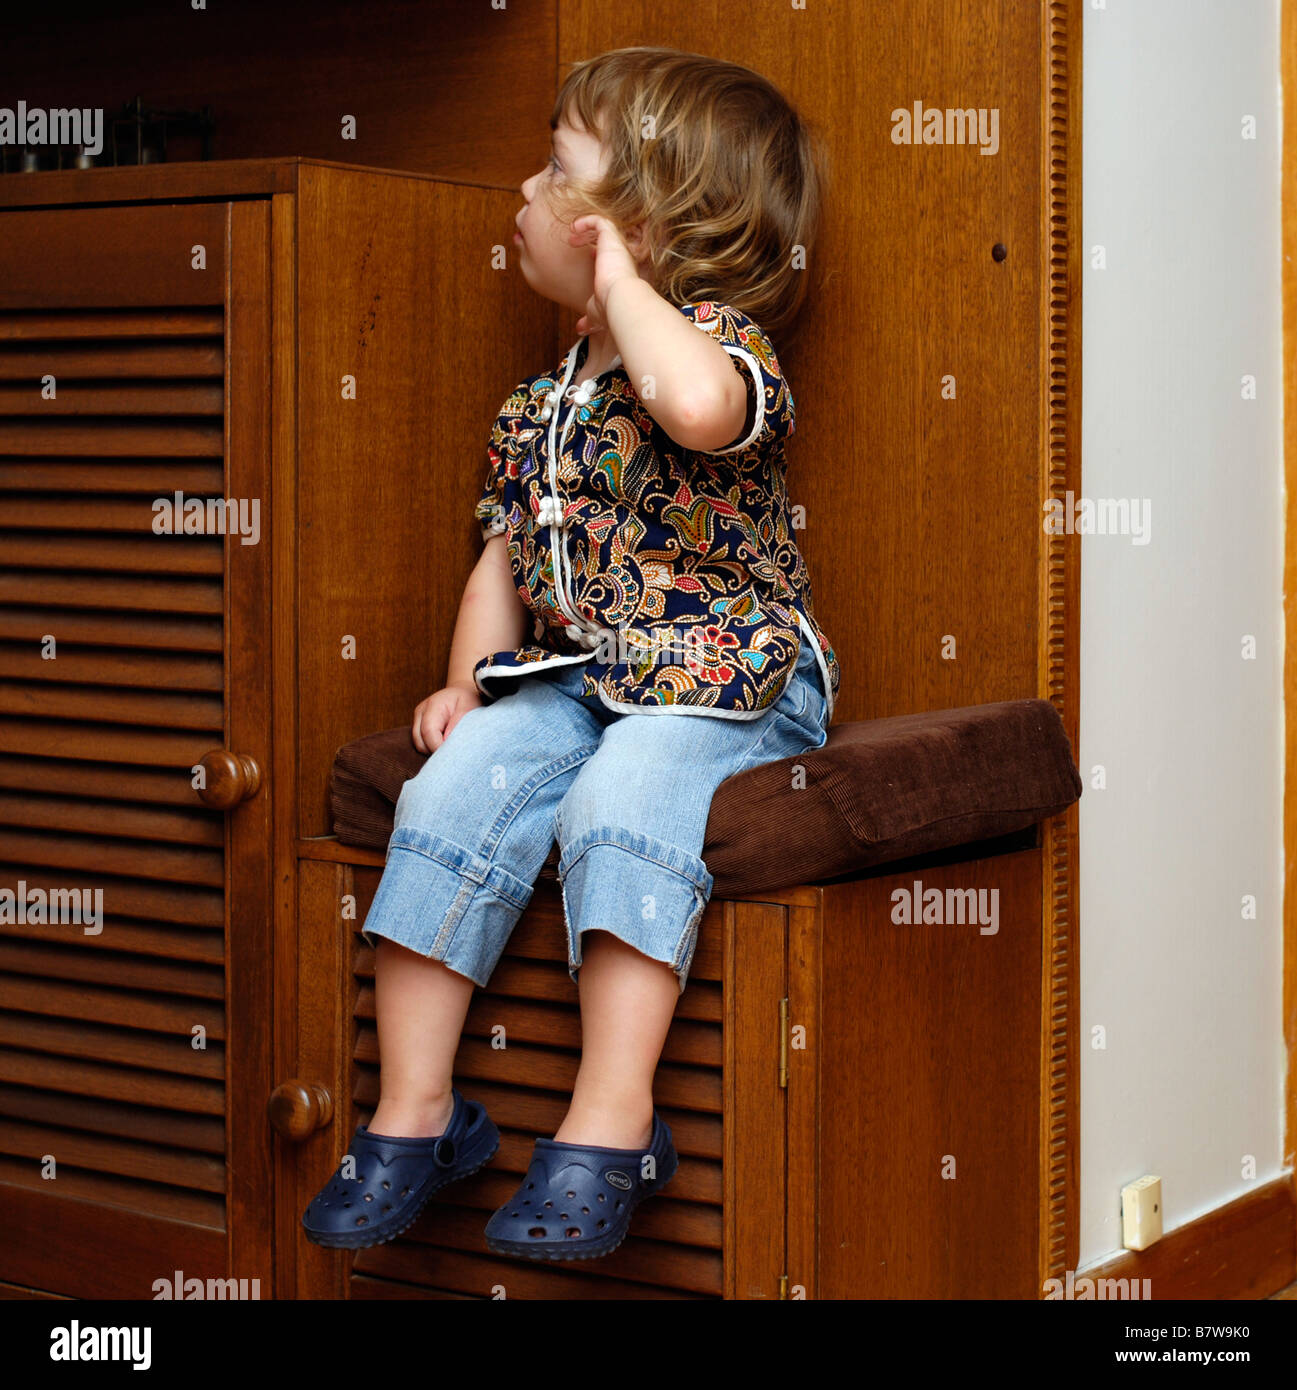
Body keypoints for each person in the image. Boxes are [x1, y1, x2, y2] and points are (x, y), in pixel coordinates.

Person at [303, 45, 840, 1265]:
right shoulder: (531, 408)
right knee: (450, 783)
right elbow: (502, 560)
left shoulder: (720, 348)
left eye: (556, 171)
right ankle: (418, 1109)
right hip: (585, 678)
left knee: (625, 789)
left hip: (727, 674)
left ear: (639, 227)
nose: (523, 193)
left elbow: (697, 412)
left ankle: (613, 1117)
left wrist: (625, 284)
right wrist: (464, 682)